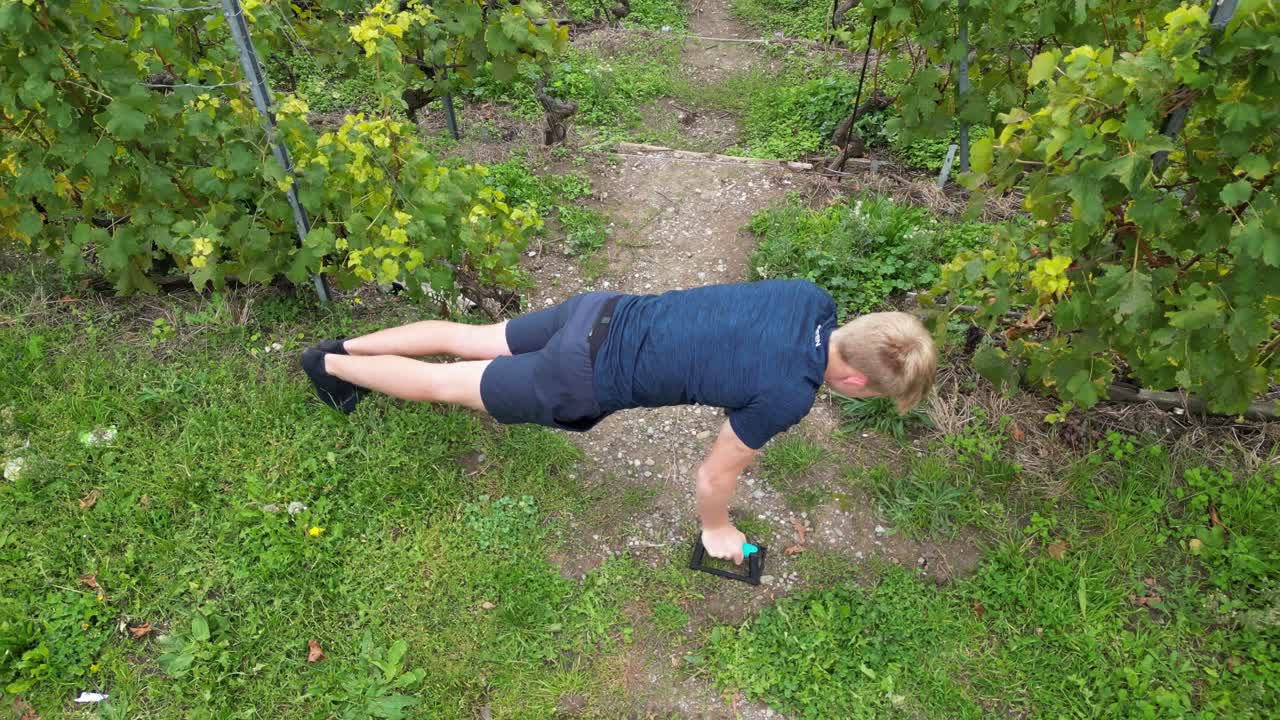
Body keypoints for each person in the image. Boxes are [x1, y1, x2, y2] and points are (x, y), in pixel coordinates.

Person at [300, 279, 937, 564]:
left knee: (471, 336)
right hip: (582, 374)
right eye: (870, 395)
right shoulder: (790, 394)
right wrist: (716, 529)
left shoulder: (810, 298)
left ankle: (348, 344)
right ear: (854, 381)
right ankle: (329, 364)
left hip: (600, 312)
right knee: (445, 382)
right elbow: (716, 474)